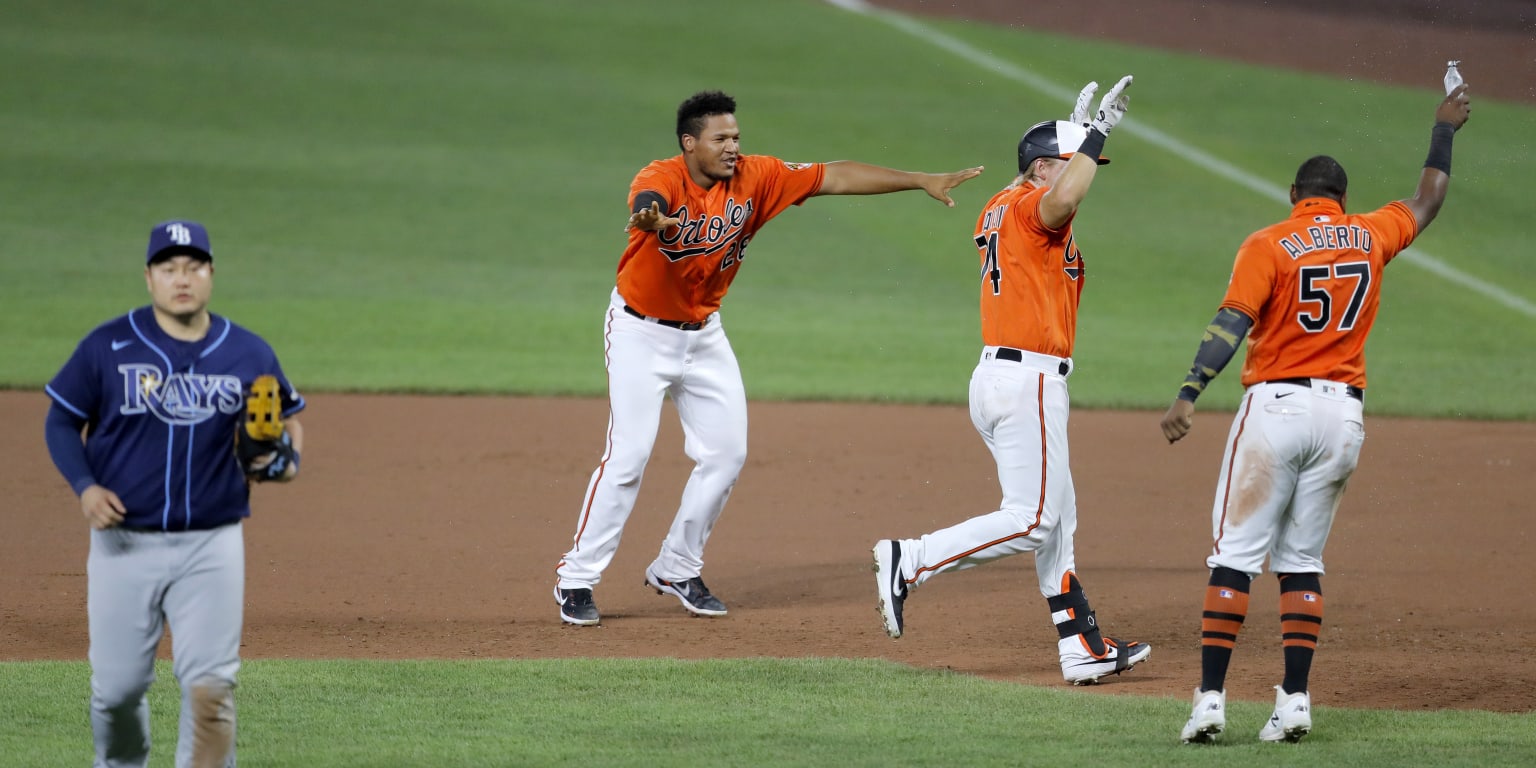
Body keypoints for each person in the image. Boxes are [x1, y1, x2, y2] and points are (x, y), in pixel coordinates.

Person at [554, 90, 984, 626]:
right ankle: (577, 578)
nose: (733, 146)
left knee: (726, 454)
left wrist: (918, 179)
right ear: (690, 144)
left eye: (736, 136)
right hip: (641, 333)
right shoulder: (664, 175)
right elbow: (647, 200)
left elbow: (834, 175)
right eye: (720, 139)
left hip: (705, 333)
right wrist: (650, 218)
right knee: (627, 459)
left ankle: (677, 566)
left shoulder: (759, 177)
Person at [1166, 79, 1472, 744]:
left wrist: (1191, 389)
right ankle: (1297, 699)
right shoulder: (1370, 233)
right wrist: (1444, 127)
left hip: (1276, 408)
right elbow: (1429, 199)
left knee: (1235, 557)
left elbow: (1231, 322)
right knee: (1302, 560)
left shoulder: (1269, 243)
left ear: (1294, 197)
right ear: (1341, 199)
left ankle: (1212, 701)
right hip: (1343, 419)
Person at [871, 76, 1152, 685]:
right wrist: (1096, 130)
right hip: (1027, 383)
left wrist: (1070, 133)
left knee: (1060, 523)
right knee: (1034, 520)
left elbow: (1048, 185)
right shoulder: (1034, 206)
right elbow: (1058, 199)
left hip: (1002, 379)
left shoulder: (1004, 203)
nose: (1088, 175)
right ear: (1044, 170)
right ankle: (910, 560)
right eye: (1078, 164)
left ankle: (1082, 647)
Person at [44, 220, 306, 767]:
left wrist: (286, 460)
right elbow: (61, 423)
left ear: (210, 275)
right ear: (149, 277)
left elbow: (285, 418)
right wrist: (85, 487)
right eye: (169, 268)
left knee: (212, 694)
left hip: (212, 545)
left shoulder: (248, 351)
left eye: (193, 267)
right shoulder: (106, 346)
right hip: (123, 544)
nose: (181, 279)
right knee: (116, 694)